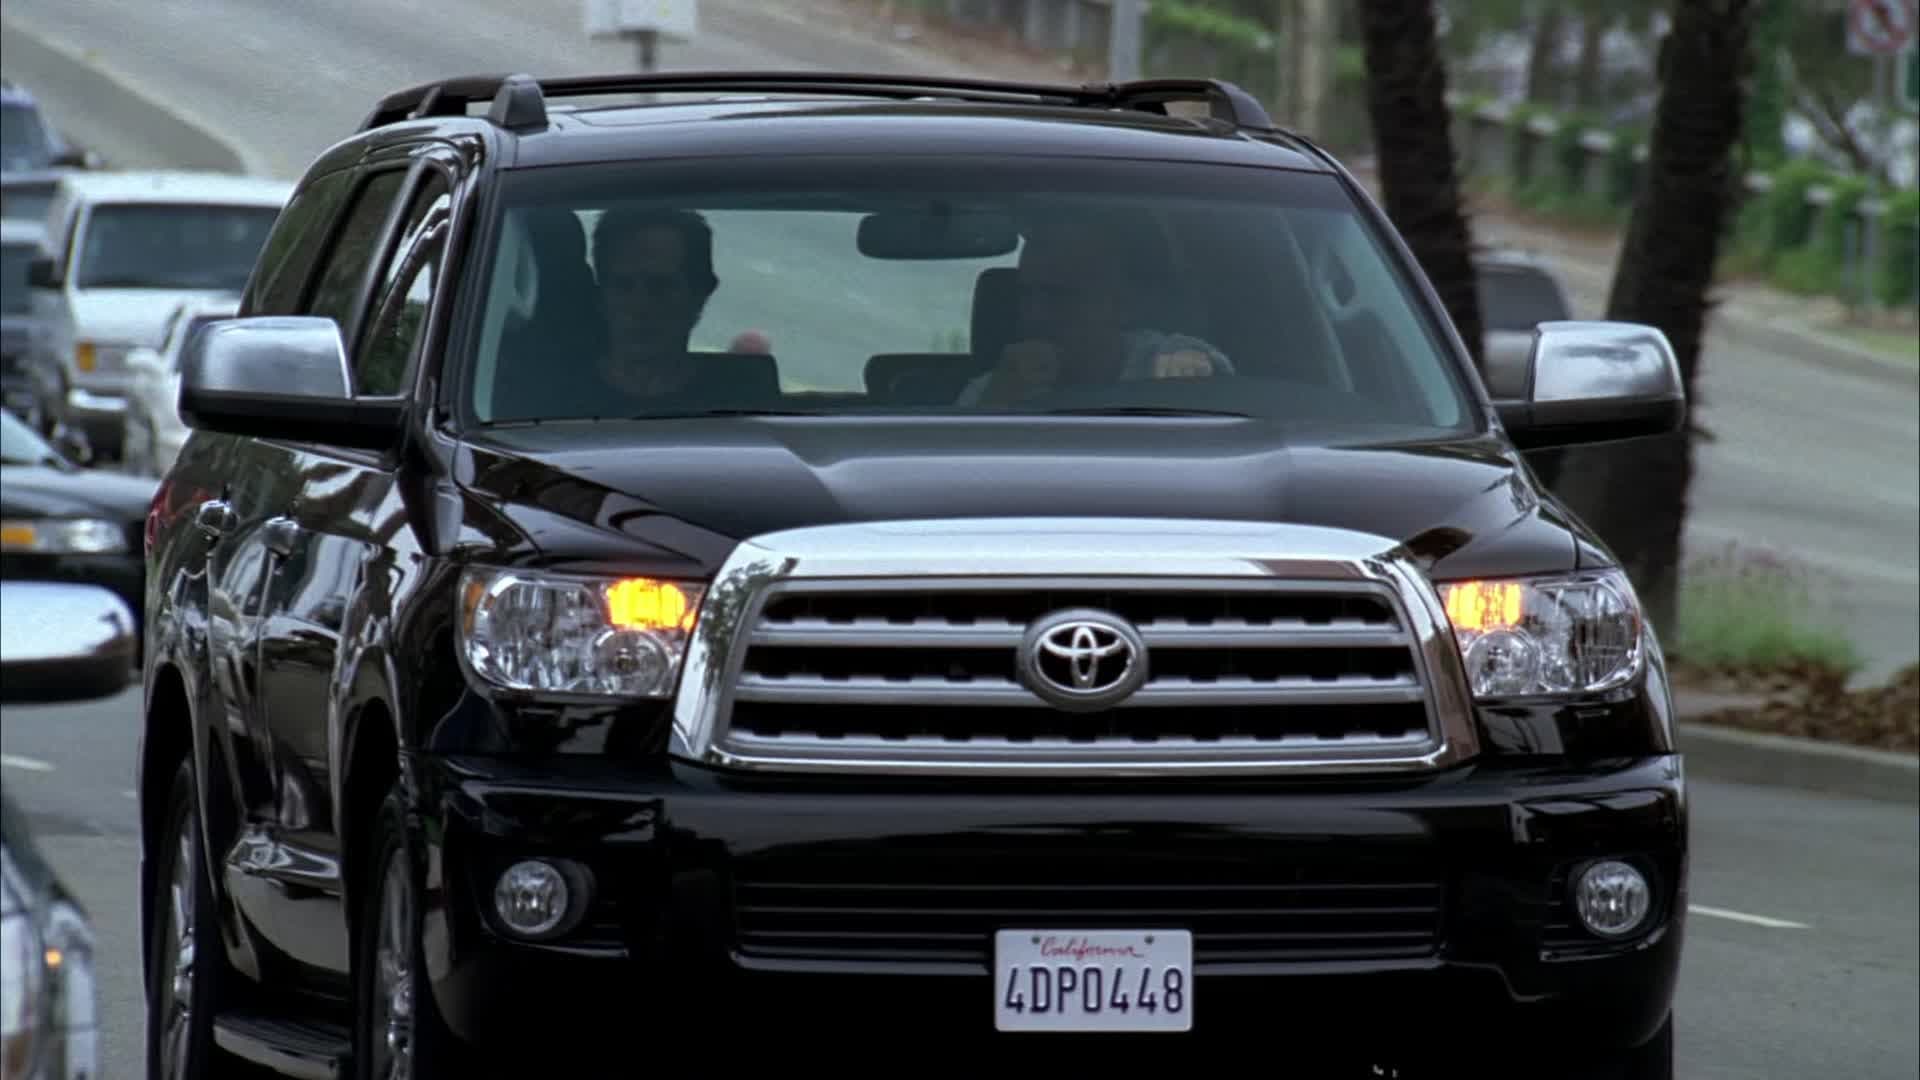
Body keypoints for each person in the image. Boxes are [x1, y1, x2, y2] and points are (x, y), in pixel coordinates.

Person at [956, 216, 1232, 407]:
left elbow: (1218, 386)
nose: (1035, 313)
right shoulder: (996, 387)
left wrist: (1192, 379)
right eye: (1026, 294)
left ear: (1122, 305)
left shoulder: (1162, 362)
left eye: (1060, 296)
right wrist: (999, 400)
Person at [589, 205, 722, 399]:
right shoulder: (557, 395)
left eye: (660, 287)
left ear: (700, 293)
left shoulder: (742, 399)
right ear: (600, 297)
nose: (639, 306)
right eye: (622, 286)